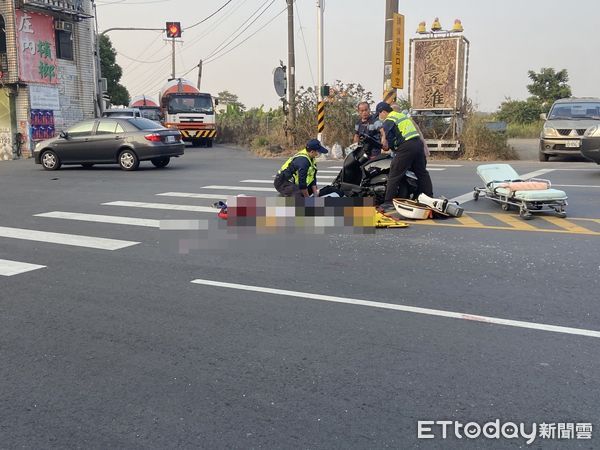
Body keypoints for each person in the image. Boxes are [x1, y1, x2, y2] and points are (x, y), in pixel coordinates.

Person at [375, 101, 434, 209]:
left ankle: (388, 202)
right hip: (417, 144)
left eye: (379, 114)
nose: (379, 116)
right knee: (421, 172)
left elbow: (386, 140)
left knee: (394, 173)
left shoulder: (389, 119)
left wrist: (384, 144)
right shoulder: (401, 115)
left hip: (407, 146)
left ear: (383, 112)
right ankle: (428, 196)